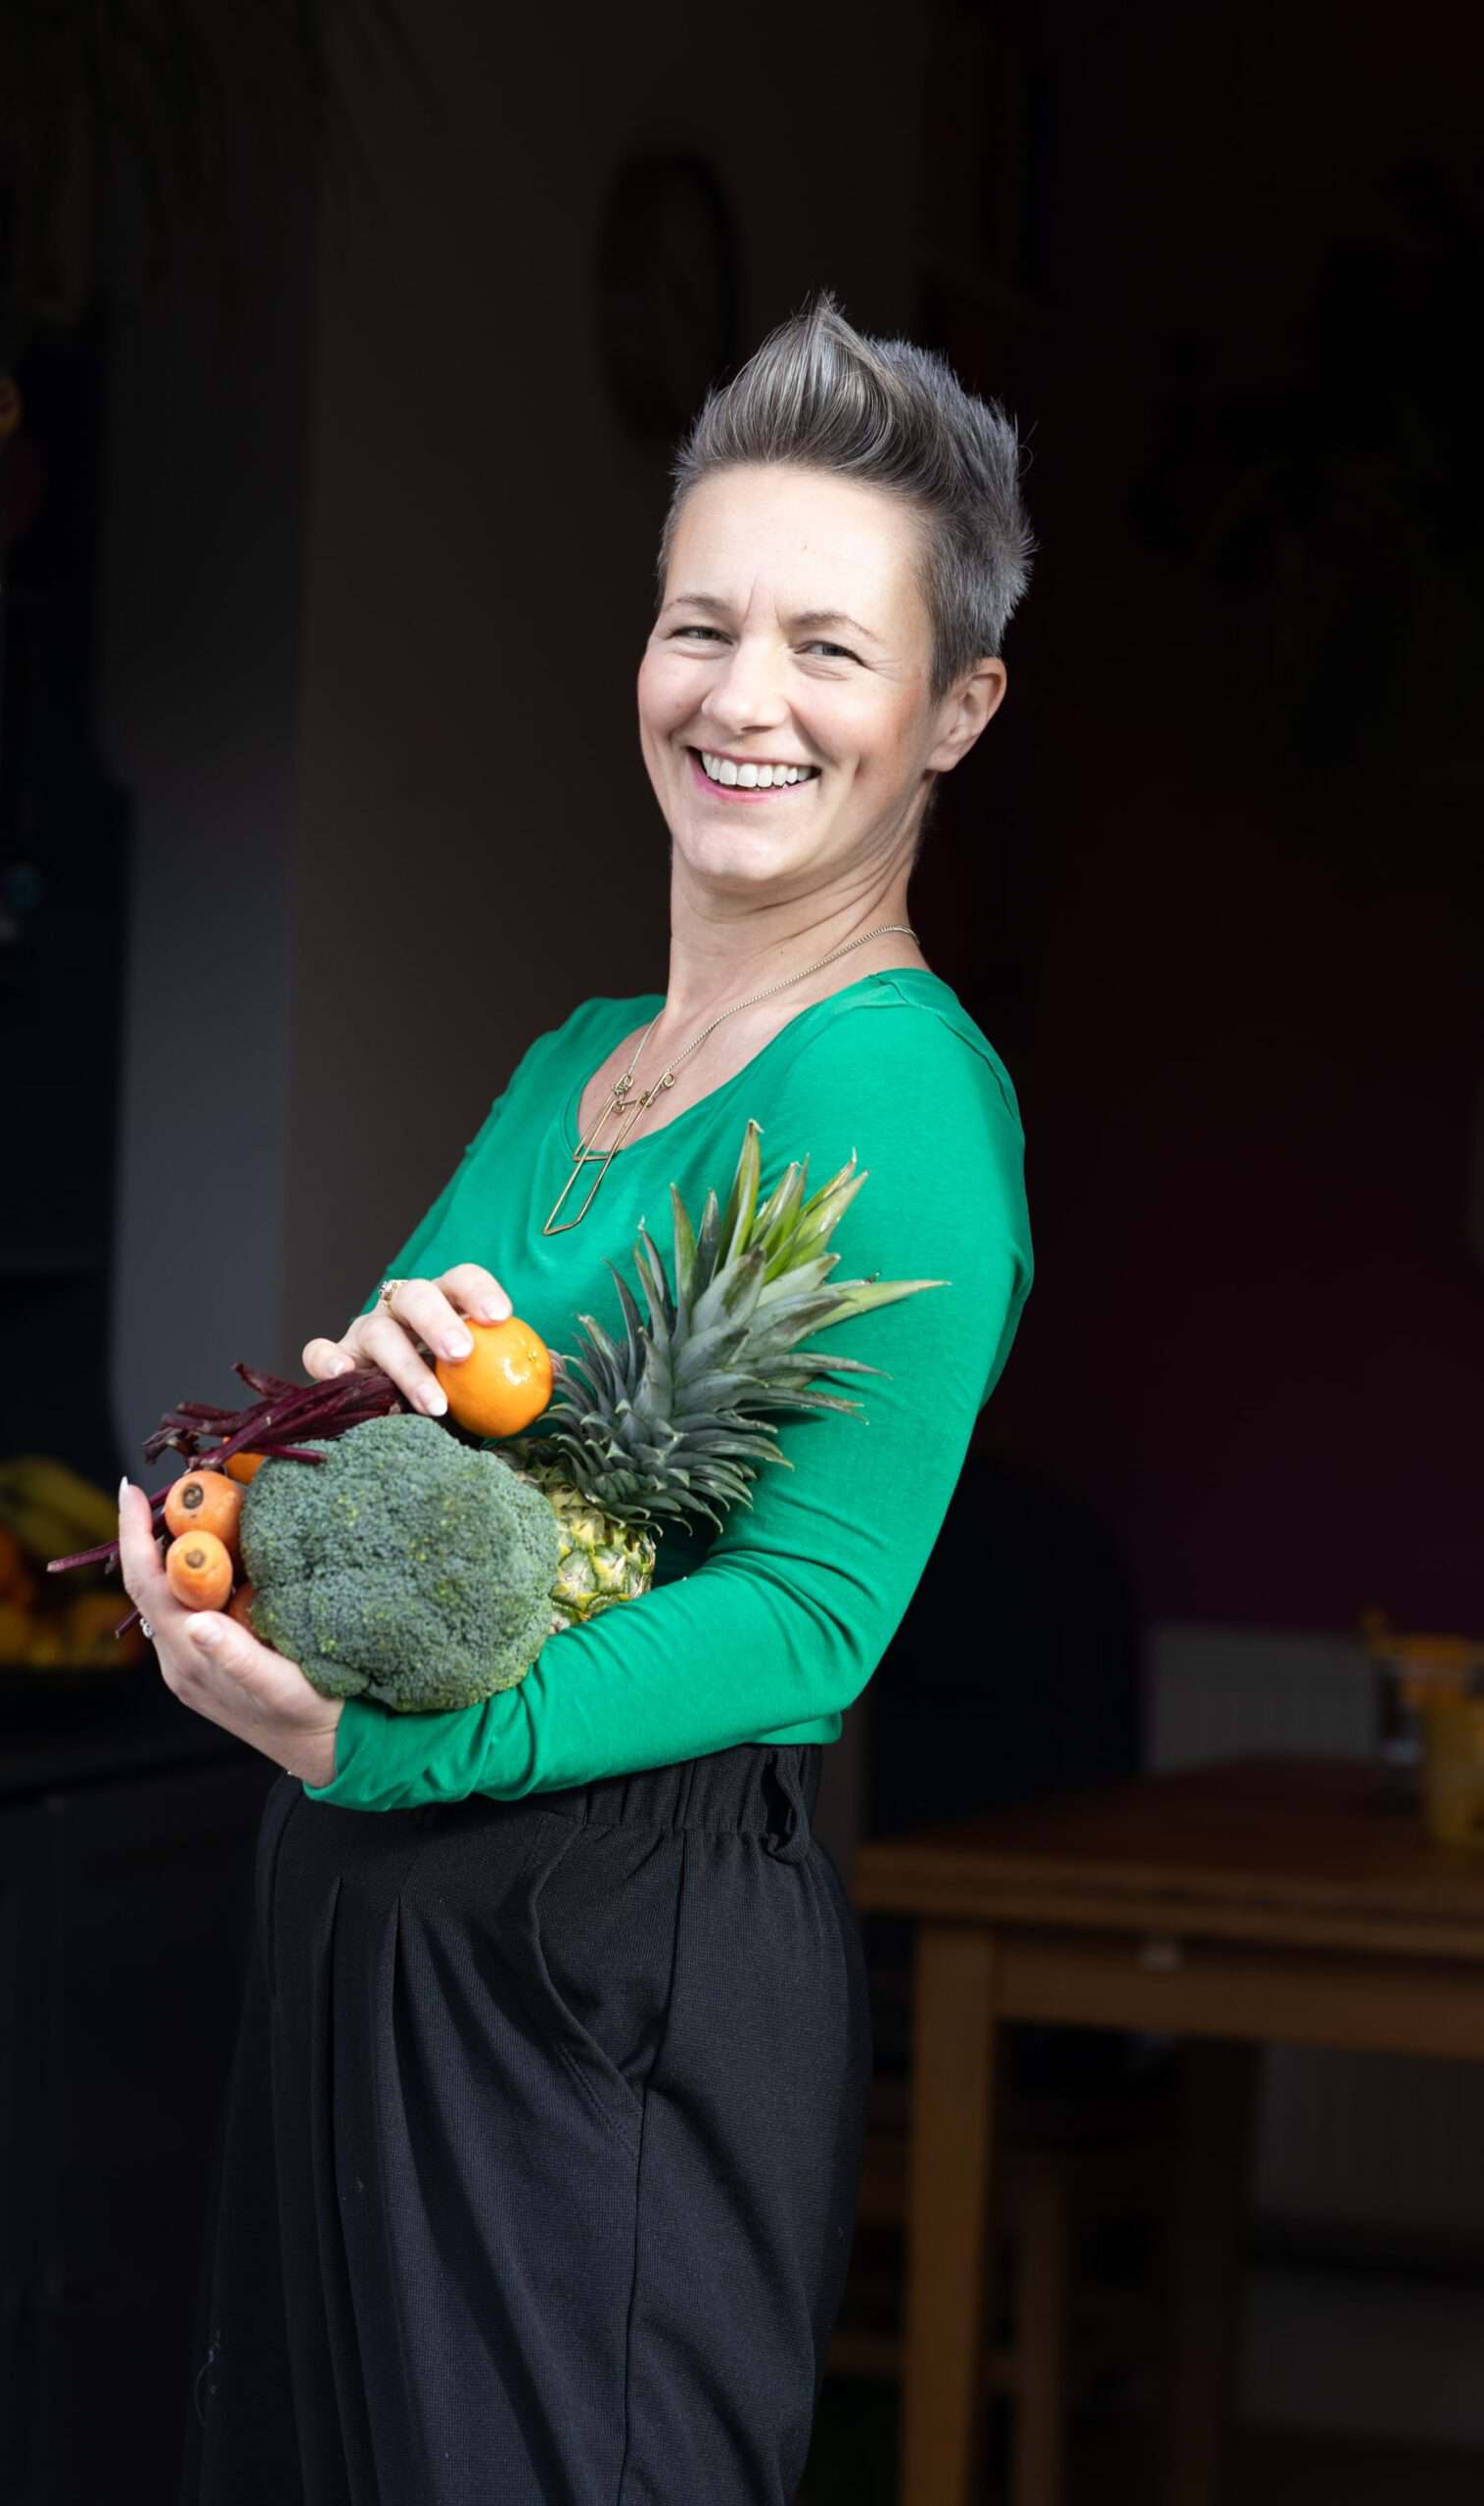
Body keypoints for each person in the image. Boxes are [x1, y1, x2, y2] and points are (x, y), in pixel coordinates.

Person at [120, 292, 1036, 2506]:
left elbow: (809, 1614)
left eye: (829, 647)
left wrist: (394, 1746)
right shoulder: (578, 1061)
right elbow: (389, 1435)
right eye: (698, 625)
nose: (741, 698)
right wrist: (262, 1509)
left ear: (954, 709)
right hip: (379, 1922)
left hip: (610, 1965)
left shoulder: (902, 1096)